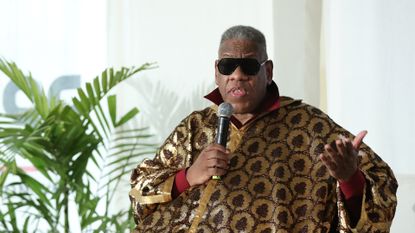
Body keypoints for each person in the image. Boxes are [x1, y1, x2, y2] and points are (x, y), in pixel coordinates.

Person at [129, 25, 397, 232]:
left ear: (267, 71)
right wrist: (188, 176)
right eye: (227, 66)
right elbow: (141, 187)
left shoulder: (310, 127)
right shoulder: (194, 127)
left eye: (247, 65)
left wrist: (349, 178)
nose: (237, 75)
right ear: (216, 72)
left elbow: (381, 186)